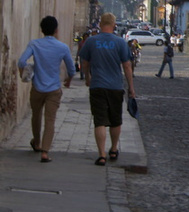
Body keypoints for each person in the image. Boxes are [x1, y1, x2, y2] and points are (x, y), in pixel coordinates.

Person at [17, 16, 76, 163]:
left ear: (41, 30)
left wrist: (23, 75)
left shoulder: (34, 44)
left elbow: (21, 61)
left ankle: (36, 142)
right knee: (50, 120)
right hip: (54, 89)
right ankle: (45, 151)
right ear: (56, 30)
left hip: (37, 87)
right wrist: (68, 81)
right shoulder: (62, 47)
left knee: (36, 116)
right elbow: (71, 69)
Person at [79, 12, 136, 166]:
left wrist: (88, 77)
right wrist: (131, 87)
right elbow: (127, 66)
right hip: (115, 86)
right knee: (116, 120)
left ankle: (101, 154)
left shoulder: (91, 41)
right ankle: (114, 148)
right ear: (114, 24)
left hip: (97, 85)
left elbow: (84, 62)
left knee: (99, 121)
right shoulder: (120, 43)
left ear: (100, 24)